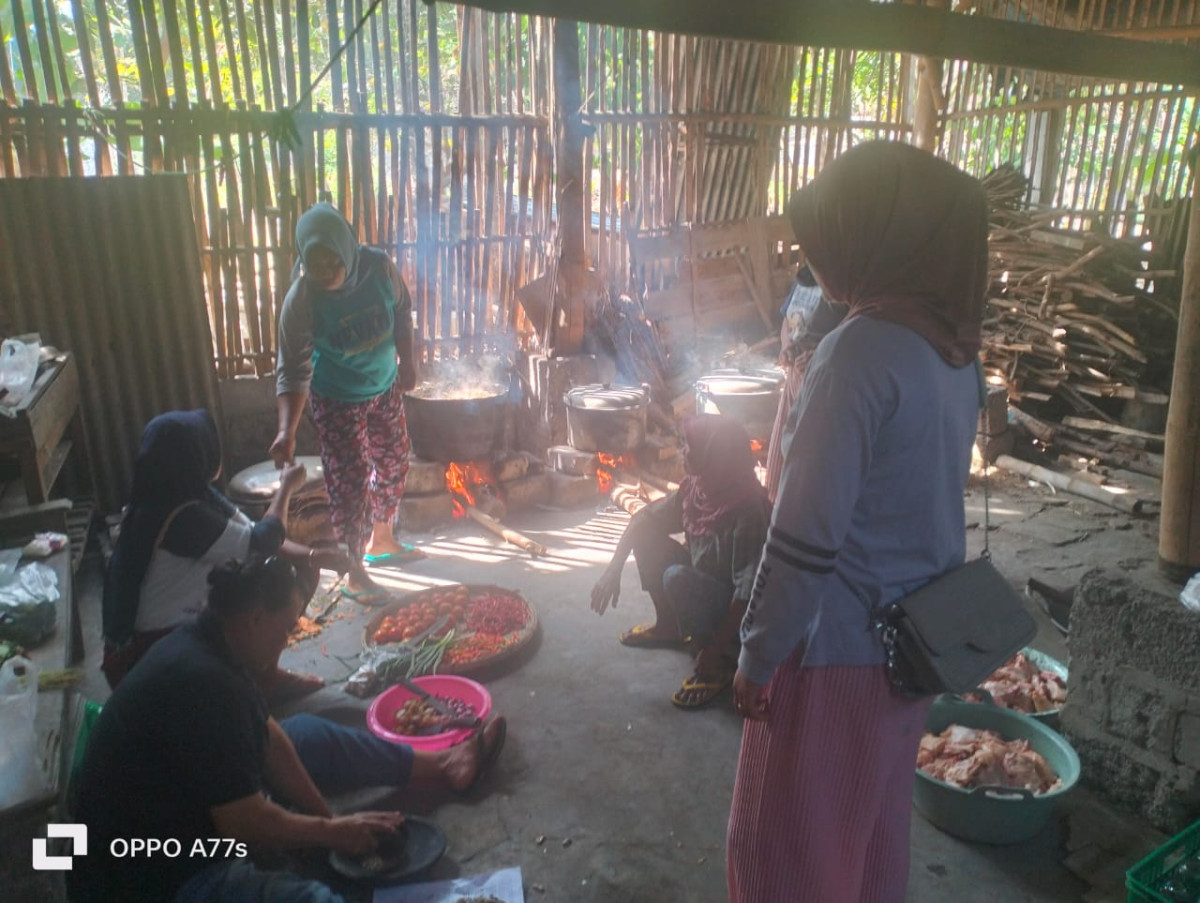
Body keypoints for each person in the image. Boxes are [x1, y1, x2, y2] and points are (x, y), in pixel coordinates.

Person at [726, 141, 987, 903]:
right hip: (910, 652)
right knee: (867, 841)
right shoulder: (952, 357)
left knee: (782, 855)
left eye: (833, 237)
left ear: (880, 239)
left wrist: (757, 652)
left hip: (832, 651)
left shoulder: (857, 353)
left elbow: (806, 536)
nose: (819, 258)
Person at [73, 555, 507, 903]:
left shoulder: (213, 640)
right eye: (284, 629)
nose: (286, 641)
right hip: (147, 869)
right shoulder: (205, 687)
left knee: (307, 733)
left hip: (179, 805)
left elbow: (271, 740)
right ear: (255, 618)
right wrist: (330, 834)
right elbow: (242, 822)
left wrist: (329, 820)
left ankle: (446, 761)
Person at [101, 409, 350, 697]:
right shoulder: (181, 517)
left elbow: (253, 533)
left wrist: (310, 557)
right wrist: (286, 489)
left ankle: (264, 674)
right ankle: (254, 681)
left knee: (292, 570)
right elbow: (263, 541)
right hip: (149, 655)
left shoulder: (178, 495)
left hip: (156, 641)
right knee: (277, 584)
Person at [273, 203, 419, 606]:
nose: (323, 268)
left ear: (346, 245)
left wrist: (408, 361)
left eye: (330, 256)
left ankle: (383, 539)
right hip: (336, 399)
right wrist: (286, 431)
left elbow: (403, 310)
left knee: (394, 459)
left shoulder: (378, 269)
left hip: (384, 386)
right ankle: (355, 571)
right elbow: (293, 371)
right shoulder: (301, 300)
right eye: (313, 259)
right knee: (350, 481)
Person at [590, 414, 770, 708]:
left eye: (692, 447)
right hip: (707, 580)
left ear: (717, 456)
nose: (684, 452)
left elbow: (746, 594)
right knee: (647, 535)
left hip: (739, 616)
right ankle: (670, 626)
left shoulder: (748, 509)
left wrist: (713, 650)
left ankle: (722, 663)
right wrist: (613, 569)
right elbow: (641, 519)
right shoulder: (699, 490)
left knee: (676, 578)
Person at [763, 266, 847, 502]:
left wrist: (818, 354)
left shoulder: (840, 289)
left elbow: (847, 334)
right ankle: (779, 504)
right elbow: (786, 322)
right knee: (786, 446)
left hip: (821, 381)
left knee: (807, 454)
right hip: (795, 376)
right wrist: (786, 346)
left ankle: (800, 506)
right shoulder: (803, 281)